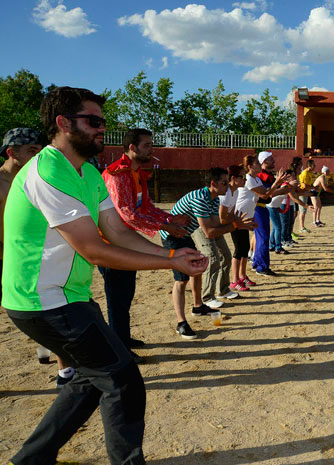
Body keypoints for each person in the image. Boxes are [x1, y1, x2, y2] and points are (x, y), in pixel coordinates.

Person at [2, 86, 207, 465]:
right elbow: (93, 249)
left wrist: (172, 252)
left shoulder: (87, 172)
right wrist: (170, 263)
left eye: (103, 122)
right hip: (43, 300)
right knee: (122, 377)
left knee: (89, 379)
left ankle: (31, 460)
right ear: (63, 123)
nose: (102, 129)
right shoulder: (48, 171)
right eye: (93, 121)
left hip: (67, 297)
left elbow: (115, 231)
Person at [100, 128, 191, 362]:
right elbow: (128, 214)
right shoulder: (118, 174)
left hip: (126, 243)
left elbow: (146, 208)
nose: (152, 149)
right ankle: (119, 348)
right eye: (147, 145)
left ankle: (123, 338)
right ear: (132, 148)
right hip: (111, 244)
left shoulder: (136, 173)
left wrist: (170, 219)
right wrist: (167, 226)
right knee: (117, 297)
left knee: (125, 294)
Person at [0, 127, 76, 388]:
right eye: (31, 151)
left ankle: (64, 371)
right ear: (11, 153)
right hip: (5, 259)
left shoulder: (38, 177)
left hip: (33, 257)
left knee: (53, 310)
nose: (38, 155)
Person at [161, 167, 238, 338]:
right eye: (224, 183)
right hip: (172, 236)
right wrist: (235, 225)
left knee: (196, 267)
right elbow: (209, 232)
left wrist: (234, 223)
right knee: (181, 280)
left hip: (184, 235)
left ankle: (198, 306)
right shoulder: (200, 198)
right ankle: (181, 323)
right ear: (213, 183)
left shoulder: (214, 198)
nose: (228, 185)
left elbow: (216, 225)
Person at [219, 164, 257, 292]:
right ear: (233, 178)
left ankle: (242, 275)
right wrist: (238, 222)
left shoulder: (235, 192)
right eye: (242, 177)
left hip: (238, 220)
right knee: (239, 249)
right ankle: (234, 280)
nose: (245, 179)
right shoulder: (226, 193)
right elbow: (223, 218)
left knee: (245, 248)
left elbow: (233, 212)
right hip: (231, 223)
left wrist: (243, 222)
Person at [253, 151, 291, 276]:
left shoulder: (267, 175)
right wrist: (282, 188)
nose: (273, 161)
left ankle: (257, 263)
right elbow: (266, 194)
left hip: (262, 207)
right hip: (258, 207)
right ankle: (262, 267)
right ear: (264, 161)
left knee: (261, 238)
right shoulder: (261, 176)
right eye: (270, 159)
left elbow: (271, 192)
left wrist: (284, 188)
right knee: (263, 238)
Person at [298, 159, 316, 233]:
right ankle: (301, 227)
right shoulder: (305, 173)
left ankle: (302, 226)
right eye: (314, 165)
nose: (315, 166)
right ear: (309, 166)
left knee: (303, 210)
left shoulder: (309, 173)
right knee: (302, 210)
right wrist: (313, 188)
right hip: (302, 192)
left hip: (305, 192)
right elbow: (304, 186)